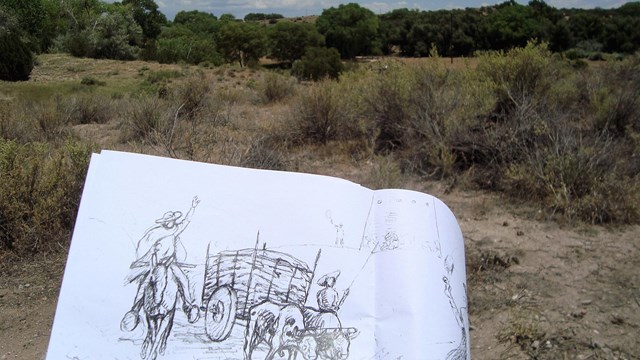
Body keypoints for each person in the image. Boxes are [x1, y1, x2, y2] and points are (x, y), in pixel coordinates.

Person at [121, 196, 201, 331]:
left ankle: (188, 306)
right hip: (156, 264)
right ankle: (134, 311)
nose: (171, 223)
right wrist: (148, 259)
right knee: (145, 284)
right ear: (165, 221)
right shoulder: (155, 232)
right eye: (169, 221)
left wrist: (192, 208)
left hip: (170, 263)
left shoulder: (175, 229)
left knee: (183, 280)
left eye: (173, 220)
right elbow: (144, 245)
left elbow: (186, 221)